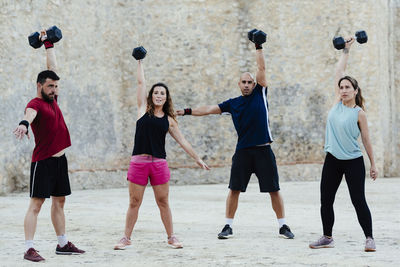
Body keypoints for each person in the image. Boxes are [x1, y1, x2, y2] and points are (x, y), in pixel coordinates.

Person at [176, 31, 295, 240]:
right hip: (243, 152)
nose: (247, 84)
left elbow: (261, 68)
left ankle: (283, 225)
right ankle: (228, 226)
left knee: (274, 190)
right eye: (244, 82)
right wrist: (186, 111)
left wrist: (258, 47)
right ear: (239, 84)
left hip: (264, 150)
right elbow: (208, 109)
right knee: (234, 189)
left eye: (250, 82)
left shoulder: (261, 93)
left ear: (254, 84)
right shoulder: (233, 103)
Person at [114, 51, 210, 250]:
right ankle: (126, 237)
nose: (159, 95)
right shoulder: (142, 110)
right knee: (134, 201)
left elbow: (183, 141)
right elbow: (141, 83)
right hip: (139, 163)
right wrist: (139, 61)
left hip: (158, 163)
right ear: (151, 96)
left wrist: (197, 158)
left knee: (163, 201)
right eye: (156, 92)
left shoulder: (169, 120)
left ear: (166, 98)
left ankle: (171, 237)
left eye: (162, 93)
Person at [13, 30, 85, 262]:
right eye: (50, 86)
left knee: (60, 201)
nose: (54, 90)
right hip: (43, 161)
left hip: (60, 160)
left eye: (56, 86)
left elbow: (53, 69)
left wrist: (48, 44)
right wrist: (24, 124)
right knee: (36, 204)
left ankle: (62, 244)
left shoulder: (53, 99)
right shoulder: (35, 103)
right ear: (39, 86)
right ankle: (28, 248)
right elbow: (29, 115)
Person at [309, 37, 378, 252]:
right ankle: (327, 236)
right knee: (326, 200)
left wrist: (373, 164)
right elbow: (339, 71)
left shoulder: (359, 113)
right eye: (342, 87)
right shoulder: (336, 104)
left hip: (353, 162)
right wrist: (346, 51)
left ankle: (369, 238)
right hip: (332, 160)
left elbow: (366, 139)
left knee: (358, 201)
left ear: (356, 91)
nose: (344, 89)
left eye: (348, 87)